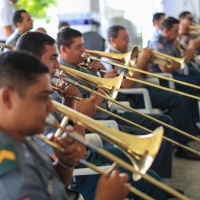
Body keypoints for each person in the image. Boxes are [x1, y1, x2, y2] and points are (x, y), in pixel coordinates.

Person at [16, 31, 168, 200]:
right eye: (52, 58)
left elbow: (70, 144)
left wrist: (70, 104)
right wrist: (79, 117)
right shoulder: (32, 106)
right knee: (151, 181)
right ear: (32, 61)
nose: (58, 65)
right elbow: (68, 163)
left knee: (149, 173)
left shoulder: (46, 92)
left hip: (86, 156)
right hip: (79, 177)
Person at [0, 51, 131, 200]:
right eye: (42, 97)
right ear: (7, 99)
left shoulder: (22, 137)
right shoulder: (8, 171)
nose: (50, 107)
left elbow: (52, 189)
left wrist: (64, 165)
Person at [104, 25, 200, 160]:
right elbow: (126, 84)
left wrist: (147, 61)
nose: (128, 41)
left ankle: (181, 135)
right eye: (125, 38)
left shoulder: (124, 53)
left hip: (144, 88)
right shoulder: (110, 57)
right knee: (176, 99)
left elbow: (144, 75)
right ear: (113, 40)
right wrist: (142, 59)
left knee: (177, 96)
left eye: (128, 38)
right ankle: (181, 145)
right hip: (135, 96)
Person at [149, 17, 200, 133]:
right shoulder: (157, 42)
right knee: (191, 84)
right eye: (176, 31)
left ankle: (192, 122)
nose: (178, 35)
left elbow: (175, 57)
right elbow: (166, 69)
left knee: (195, 80)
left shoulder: (168, 40)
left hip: (172, 74)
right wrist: (186, 58)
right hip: (162, 78)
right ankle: (192, 122)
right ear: (166, 31)